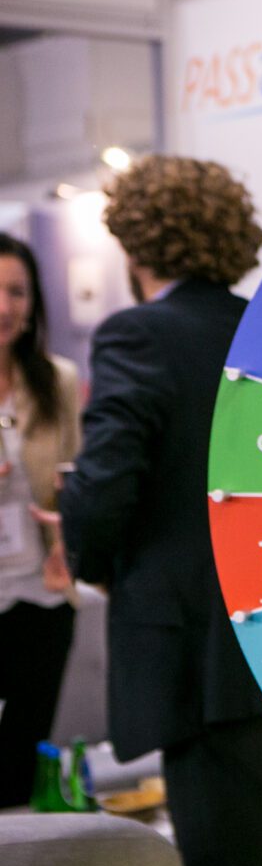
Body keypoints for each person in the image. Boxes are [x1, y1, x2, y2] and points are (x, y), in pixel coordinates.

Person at [56, 156, 262, 866]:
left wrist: (82, 545)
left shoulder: (137, 335)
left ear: (133, 241)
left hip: (201, 668)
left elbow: (107, 484)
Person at [0, 234, 80, 808]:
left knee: (20, 767)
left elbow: (74, 477)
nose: (5, 306)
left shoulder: (58, 380)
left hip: (42, 596)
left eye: (17, 292)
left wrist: (68, 542)